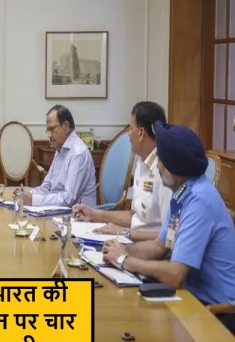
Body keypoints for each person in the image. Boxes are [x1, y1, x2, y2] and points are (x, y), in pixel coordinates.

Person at [102, 122, 235, 342]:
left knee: (149, 339)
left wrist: (125, 260)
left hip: (223, 313)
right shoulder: (181, 194)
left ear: (175, 166)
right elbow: (159, 247)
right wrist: (120, 249)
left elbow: (175, 275)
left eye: (162, 160)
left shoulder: (199, 201)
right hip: (194, 300)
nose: (158, 166)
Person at [73, 101, 171, 242]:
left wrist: (125, 233)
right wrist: (93, 214)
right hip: (133, 240)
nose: (128, 134)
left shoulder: (165, 171)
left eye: (131, 128)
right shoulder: (141, 164)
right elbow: (134, 217)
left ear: (141, 133)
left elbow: (169, 236)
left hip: (150, 248)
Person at [20, 105, 96, 206]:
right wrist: (28, 194)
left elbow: (68, 199)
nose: (49, 135)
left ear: (66, 127)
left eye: (52, 129)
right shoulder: (60, 149)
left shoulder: (79, 153)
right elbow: (47, 186)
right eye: (48, 131)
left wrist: (33, 200)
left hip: (78, 213)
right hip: (60, 210)